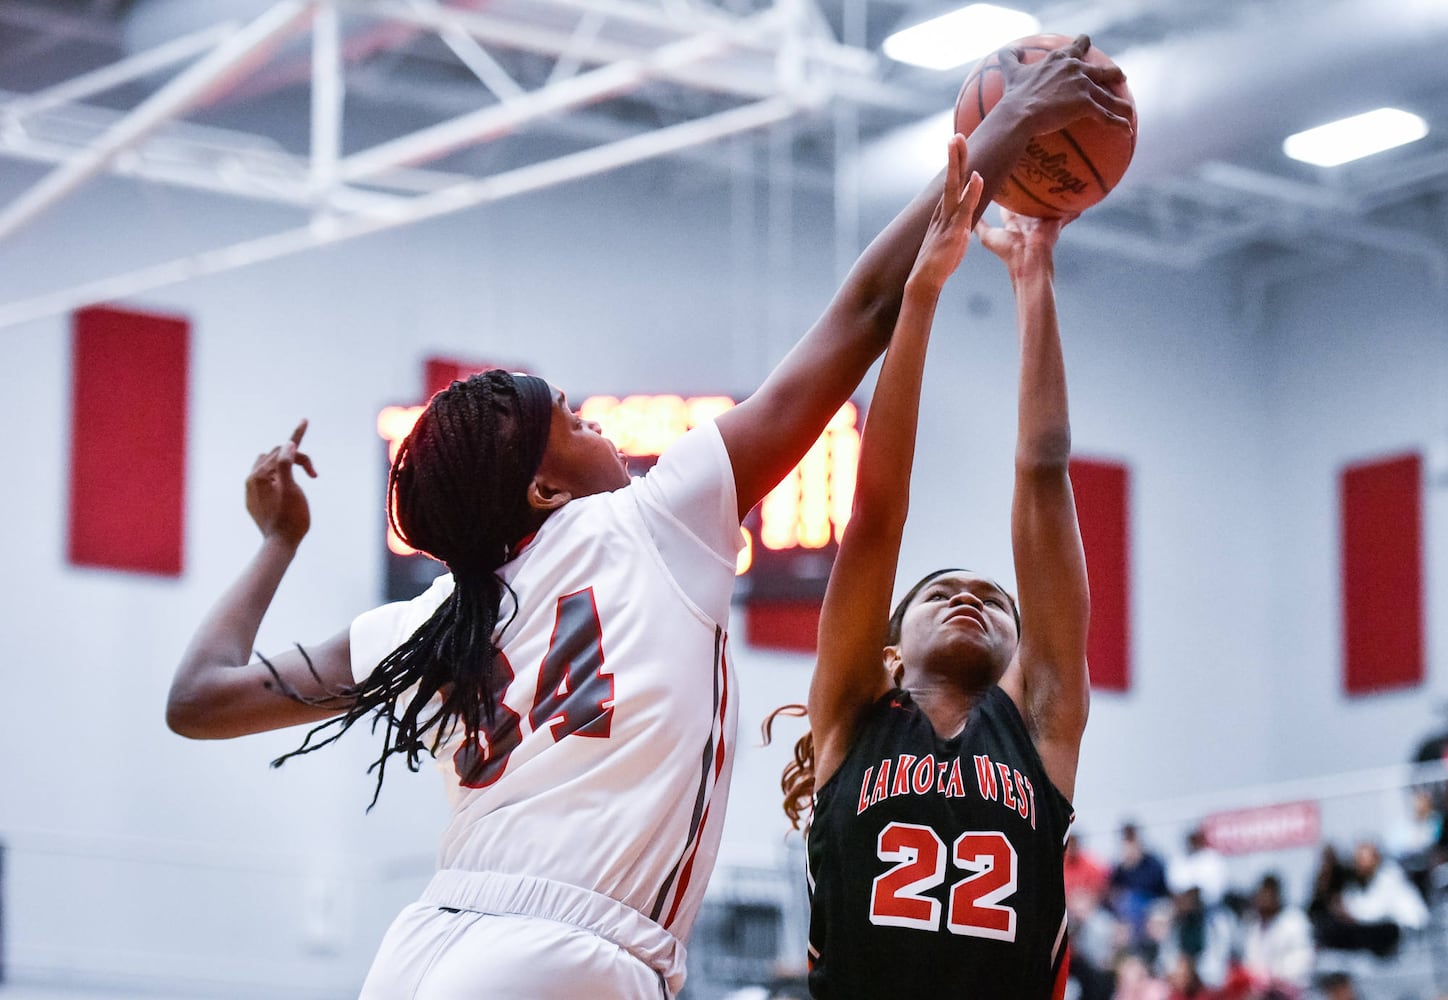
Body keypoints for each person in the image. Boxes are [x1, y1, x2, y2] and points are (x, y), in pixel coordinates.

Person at [165, 38, 1131, 1000]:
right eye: (570, 420)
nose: (591, 417)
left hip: (423, 944)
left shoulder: (431, 622)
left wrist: (280, 545)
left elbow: (199, 698)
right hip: (564, 954)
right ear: (543, 491)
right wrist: (1007, 129)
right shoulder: (652, 520)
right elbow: (866, 309)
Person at [765, 108, 1110, 995]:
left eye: (995, 599)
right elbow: (877, 515)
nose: (972, 597)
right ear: (889, 647)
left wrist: (1035, 281)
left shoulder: (1041, 723)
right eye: (941, 592)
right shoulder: (850, 716)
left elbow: (1043, 471)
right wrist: (919, 295)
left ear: (1015, 654)